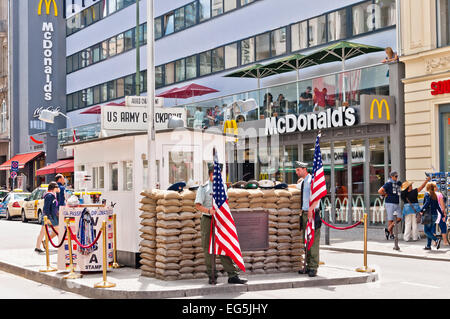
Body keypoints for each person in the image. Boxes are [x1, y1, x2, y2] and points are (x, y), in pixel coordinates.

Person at [195, 163, 247, 285]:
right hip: (208, 220)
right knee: (208, 249)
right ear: (211, 173)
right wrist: (209, 211)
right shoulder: (204, 188)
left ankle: (233, 275)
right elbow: (197, 205)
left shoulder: (223, 186)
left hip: (221, 220)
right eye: (216, 173)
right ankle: (212, 275)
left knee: (225, 246)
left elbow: (225, 202)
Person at [293, 161, 321, 277]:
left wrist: (311, 209)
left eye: (298, 170)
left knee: (313, 241)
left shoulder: (313, 180)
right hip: (304, 214)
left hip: (312, 213)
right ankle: (308, 266)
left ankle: (313, 267)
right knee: (307, 241)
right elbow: (295, 187)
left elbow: (318, 195)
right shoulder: (304, 182)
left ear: (304, 169)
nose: (297, 172)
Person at [400, 176, 430, 242]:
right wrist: (426, 181)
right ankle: (415, 237)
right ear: (409, 187)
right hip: (415, 210)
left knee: (407, 224)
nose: (411, 186)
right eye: (410, 185)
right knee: (415, 224)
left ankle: (406, 238)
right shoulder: (414, 192)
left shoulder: (403, 194)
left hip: (407, 210)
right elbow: (422, 187)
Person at [34, 182, 60, 254]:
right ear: (54, 188)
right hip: (50, 216)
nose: (58, 189)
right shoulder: (49, 196)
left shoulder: (51, 195)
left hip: (48, 216)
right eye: (57, 187)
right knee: (59, 231)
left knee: (42, 232)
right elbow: (46, 207)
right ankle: (63, 246)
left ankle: (37, 247)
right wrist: (48, 217)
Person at [378, 171, 402, 240]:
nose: (397, 177)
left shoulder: (398, 183)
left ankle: (388, 229)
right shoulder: (388, 183)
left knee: (399, 218)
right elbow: (380, 191)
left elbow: (403, 186)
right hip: (389, 203)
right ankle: (391, 234)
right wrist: (385, 194)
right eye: (395, 176)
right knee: (390, 219)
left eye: (397, 176)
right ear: (391, 176)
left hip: (396, 203)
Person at [420, 182, 444, 250]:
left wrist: (421, 210)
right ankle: (428, 246)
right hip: (435, 215)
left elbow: (427, 202)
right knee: (429, 231)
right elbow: (438, 207)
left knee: (426, 231)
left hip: (428, 215)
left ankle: (436, 240)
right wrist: (442, 215)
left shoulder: (427, 194)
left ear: (427, 187)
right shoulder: (434, 195)